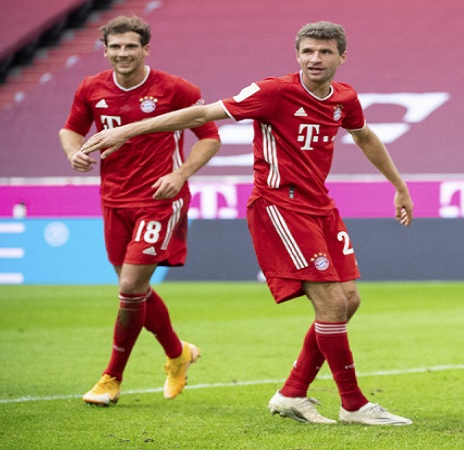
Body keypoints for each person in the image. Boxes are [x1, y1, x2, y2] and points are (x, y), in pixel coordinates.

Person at [80, 21, 415, 425]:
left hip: (320, 205)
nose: (315, 59)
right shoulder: (273, 91)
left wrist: (399, 186)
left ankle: (292, 394)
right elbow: (204, 113)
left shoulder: (344, 97)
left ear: (341, 57)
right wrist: (129, 130)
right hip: (280, 204)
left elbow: (365, 137)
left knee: (349, 301)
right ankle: (354, 405)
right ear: (297, 54)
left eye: (325, 52)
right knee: (330, 304)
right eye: (308, 51)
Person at [59, 16, 221, 406]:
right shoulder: (91, 88)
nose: (123, 53)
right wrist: (74, 152)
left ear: (145, 49)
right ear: (105, 51)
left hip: (159, 198)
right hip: (114, 199)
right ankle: (178, 353)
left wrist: (180, 175)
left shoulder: (176, 89)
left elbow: (210, 138)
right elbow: (70, 130)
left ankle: (111, 378)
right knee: (136, 290)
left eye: (130, 46)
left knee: (130, 287)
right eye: (115, 47)